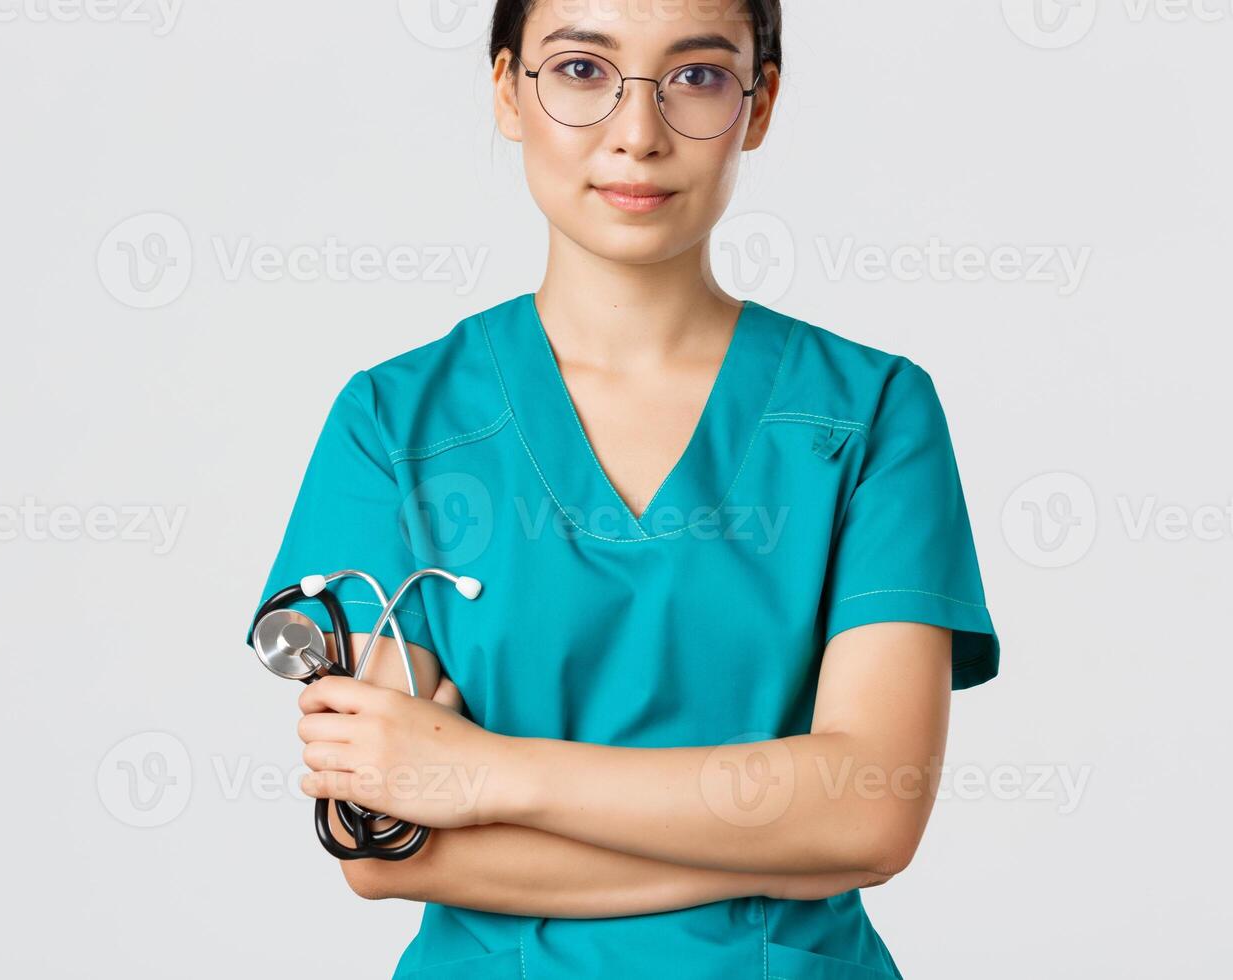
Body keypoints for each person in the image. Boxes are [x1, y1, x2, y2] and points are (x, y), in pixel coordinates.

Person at [253, 2, 998, 977]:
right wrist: (770, 844)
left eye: (693, 77)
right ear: (505, 92)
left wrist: (481, 771)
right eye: (578, 71)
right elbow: (384, 841)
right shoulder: (394, 423)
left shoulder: (868, 413)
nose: (635, 134)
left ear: (758, 103)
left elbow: (867, 810)